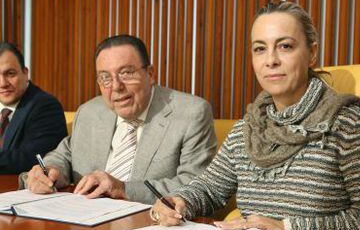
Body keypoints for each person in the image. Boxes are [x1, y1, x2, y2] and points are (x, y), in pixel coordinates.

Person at [152, 1, 360, 230]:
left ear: (311, 53)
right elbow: (210, 188)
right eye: (260, 49)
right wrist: (180, 201)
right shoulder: (248, 128)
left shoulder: (346, 122)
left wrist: (287, 229)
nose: (271, 60)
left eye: (285, 46)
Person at [23, 35, 216, 204]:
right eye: (105, 78)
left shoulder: (191, 113)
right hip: (84, 222)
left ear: (150, 74)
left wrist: (124, 189)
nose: (116, 86)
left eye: (126, 73)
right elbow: (64, 155)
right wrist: (50, 170)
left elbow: (196, 185)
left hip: (150, 227)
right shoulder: (89, 112)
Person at [0, 42, 67, 174]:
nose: (2, 83)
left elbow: (34, 157)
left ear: (25, 73)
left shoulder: (46, 106)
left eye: (10, 74)